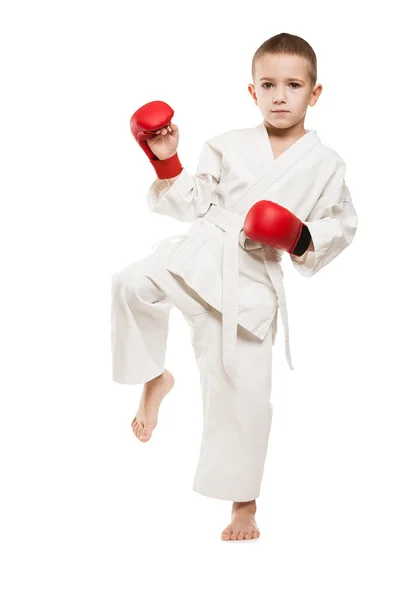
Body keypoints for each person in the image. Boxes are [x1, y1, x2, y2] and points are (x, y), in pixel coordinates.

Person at [111, 32, 358, 541]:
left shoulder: (327, 165)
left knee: (243, 396)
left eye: (293, 84)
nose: (279, 95)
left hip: (250, 289)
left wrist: (300, 235)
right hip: (202, 254)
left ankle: (243, 506)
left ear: (315, 93)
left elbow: (343, 223)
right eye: (268, 84)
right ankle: (154, 377)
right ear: (252, 91)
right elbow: (190, 202)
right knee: (132, 282)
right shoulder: (226, 144)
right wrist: (167, 159)